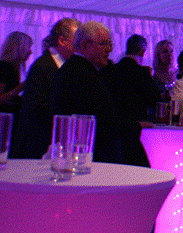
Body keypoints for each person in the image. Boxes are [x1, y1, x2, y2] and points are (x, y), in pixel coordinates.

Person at [51, 21, 125, 163]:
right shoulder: (82, 74)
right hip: (87, 158)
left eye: (110, 44)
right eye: (104, 43)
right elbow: (102, 122)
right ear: (85, 45)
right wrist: (135, 127)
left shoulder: (76, 69)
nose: (109, 49)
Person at [12, 18, 79, 158]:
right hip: (38, 147)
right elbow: (36, 110)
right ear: (62, 41)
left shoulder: (60, 66)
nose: (79, 46)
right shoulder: (43, 66)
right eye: (76, 40)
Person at [105, 34, 160, 166]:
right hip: (136, 131)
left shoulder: (111, 70)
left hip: (113, 132)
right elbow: (156, 100)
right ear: (142, 52)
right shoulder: (142, 73)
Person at [0, 31, 32, 114]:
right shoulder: (4, 67)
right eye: (28, 46)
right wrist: (23, 86)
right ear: (19, 47)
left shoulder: (11, 68)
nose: (30, 51)